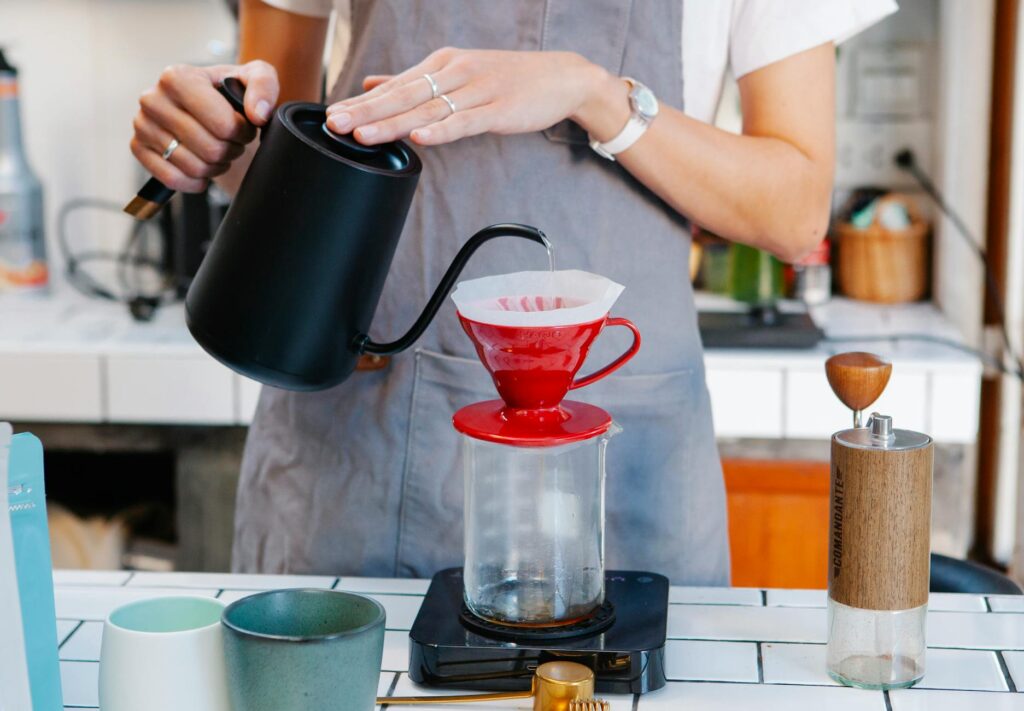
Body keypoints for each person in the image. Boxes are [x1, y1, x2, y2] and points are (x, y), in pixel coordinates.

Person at [131, 0, 896, 583]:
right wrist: (215, 125)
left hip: (617, 438)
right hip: (361, 437)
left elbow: (795, 211)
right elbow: (270, 150)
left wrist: (592, 94)